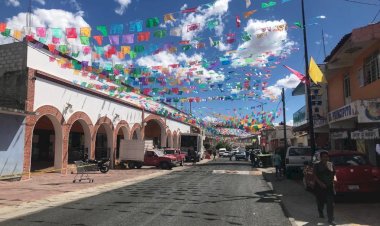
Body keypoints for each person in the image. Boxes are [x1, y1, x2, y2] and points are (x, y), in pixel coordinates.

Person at [313, 151, 335, 225]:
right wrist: (321, 183)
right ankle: (320, 212)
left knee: (330, 203)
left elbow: (333, 174)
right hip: (320, 187)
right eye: (324, 157)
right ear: (321, 157)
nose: (325, 158)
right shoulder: (317, 165)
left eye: (327, 157)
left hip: (329, 187)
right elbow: (315, 176)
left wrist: (333, 181)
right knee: (320, 202)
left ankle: (330, 219)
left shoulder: (330, 164)